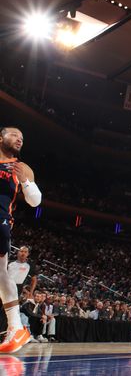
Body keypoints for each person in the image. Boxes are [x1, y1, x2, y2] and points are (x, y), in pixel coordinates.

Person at [0, 127, 41, 353]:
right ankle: (15, 328)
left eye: (22, 138)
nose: (20, 140)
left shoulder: (21, 167)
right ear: (1, 137)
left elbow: (35, 201)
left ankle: (15, 327)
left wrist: (25, 181)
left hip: (0, 219)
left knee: (0, 273)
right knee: (0, 275)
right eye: (15, 135)